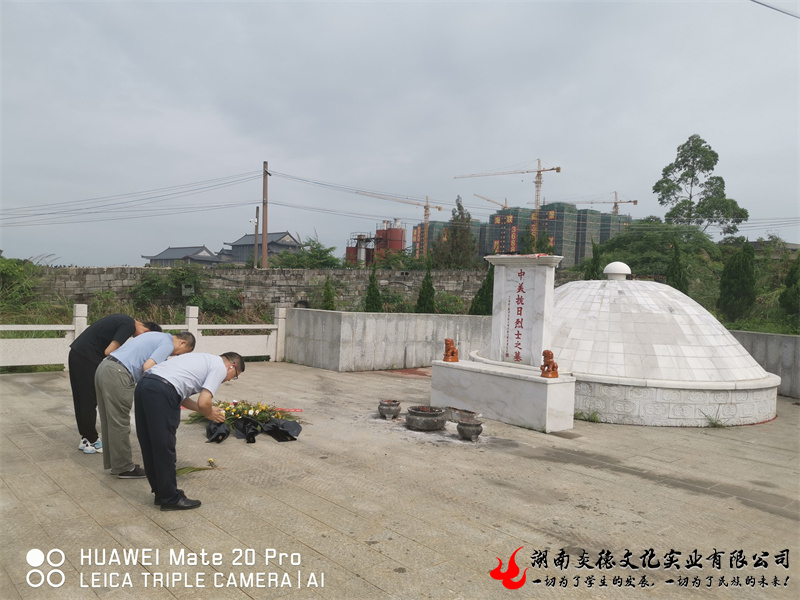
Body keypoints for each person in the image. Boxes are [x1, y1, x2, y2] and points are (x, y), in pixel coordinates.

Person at [134, 351, 244, 511]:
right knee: (164, 447)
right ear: (231, 366)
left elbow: (180, 395)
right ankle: (170, 498)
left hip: (145, 385)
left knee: (150, 444)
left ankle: (162, 493)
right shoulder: (219, 367)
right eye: (235, 376)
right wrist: (209, 413)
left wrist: (204, 410)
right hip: (162, 392)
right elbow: (204, 401)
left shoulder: (202, 358)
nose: (228, 380)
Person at [95, 331, 196, 479]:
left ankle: (116, 464)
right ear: (182, 342)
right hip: (119, 373)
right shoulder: (167, 344)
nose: (175, 355)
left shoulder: (156, 336)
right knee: (119, 422)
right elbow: (148, 367)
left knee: (109, 420)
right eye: (180, 353)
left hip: (105, 367)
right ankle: (124, 468)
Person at [69, 314, 161, 454]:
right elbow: (109, 351)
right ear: (146, 332)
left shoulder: (124, 320)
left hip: (79, 354)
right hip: (86, 358)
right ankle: (91, 440)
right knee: (88, 400)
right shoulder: (128, 325)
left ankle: (86, 438)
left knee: (82, 399)